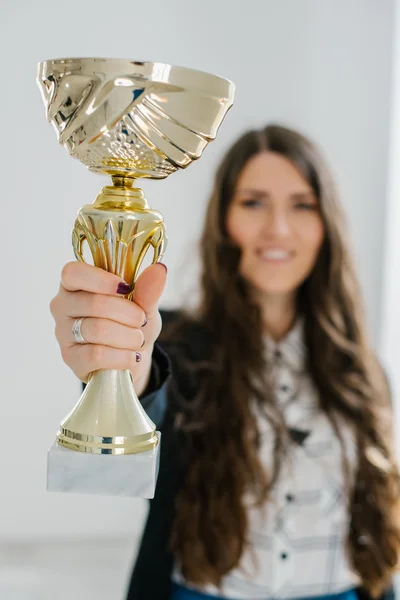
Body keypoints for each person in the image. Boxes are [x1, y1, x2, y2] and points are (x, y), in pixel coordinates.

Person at [50, 124, 400, 600]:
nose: (277, 227)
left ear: (326, 225)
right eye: (253, 202)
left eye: (302, 204)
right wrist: (120, 367)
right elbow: (147, 397)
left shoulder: (363, 370)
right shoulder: (172, 345)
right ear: (224, 220)